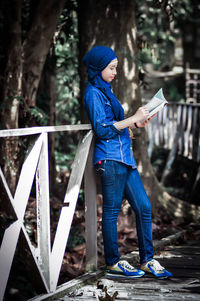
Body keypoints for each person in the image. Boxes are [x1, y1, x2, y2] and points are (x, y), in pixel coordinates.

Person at [83, 45, 172, 279]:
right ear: (98, 67)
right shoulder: (92, 92)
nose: (115, 72)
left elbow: (116, 125)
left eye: (116, 68)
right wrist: (133, 118)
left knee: (143, 207)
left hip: (126, 158)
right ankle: (112, 263)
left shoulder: (107, 91)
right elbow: (102, 129)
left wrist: (137, 123)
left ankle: (147, 260)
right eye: (111, 68)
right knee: (111, 212)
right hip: (109, 159)